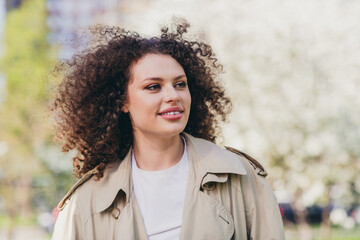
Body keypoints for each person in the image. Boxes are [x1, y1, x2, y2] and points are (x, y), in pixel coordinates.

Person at [50, 20, 285, 240]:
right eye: (154, 87)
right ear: (121, 102)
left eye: (180, 84)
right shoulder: (84, 205)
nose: (173, 96)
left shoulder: (242, 178)